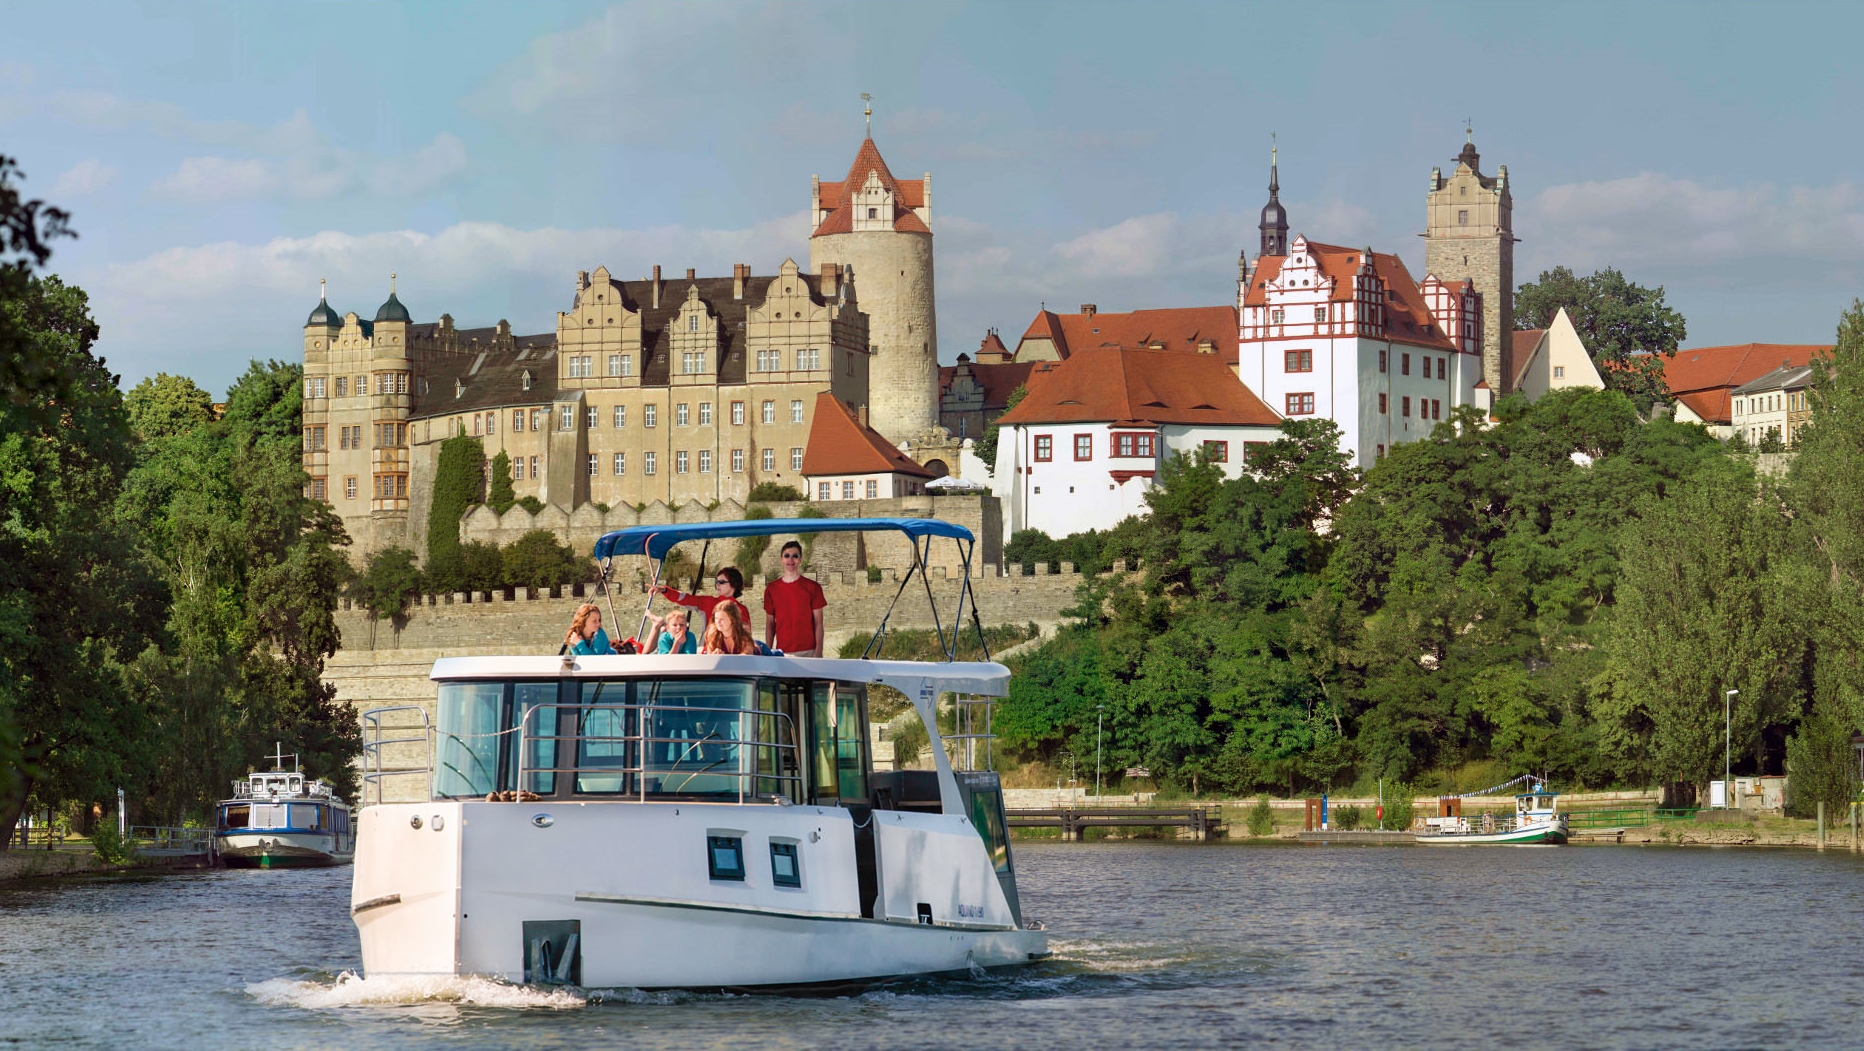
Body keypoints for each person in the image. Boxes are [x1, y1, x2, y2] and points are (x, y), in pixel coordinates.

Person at [762, 540, 826, 656]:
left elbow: (819, 623)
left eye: (795, 556)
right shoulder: (771, 589)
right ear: (781, 559)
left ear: (800, 559)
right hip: (782, 652)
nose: (790, 560)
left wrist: (819, 650)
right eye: (787, 556)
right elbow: (770, 624)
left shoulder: (813, 587)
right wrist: (768, 652)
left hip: (809, 651)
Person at [654, 567, 752, 637]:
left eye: (721, 582)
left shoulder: (742, 609)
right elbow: (686, 599)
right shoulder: (708, 602)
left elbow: (746, 636)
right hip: (708, 653)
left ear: (734, 584)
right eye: (716, 582)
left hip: (731, 655)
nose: (717, 584)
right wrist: (665, 590)